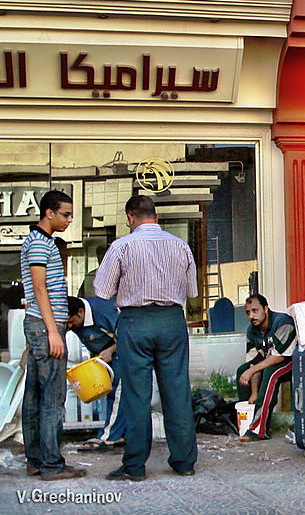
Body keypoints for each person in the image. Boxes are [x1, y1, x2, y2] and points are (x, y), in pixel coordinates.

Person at [93, 195, 198, 481]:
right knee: (177, 391)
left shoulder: (121, 246)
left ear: (130, 218)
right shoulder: (181, 246)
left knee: (136, 395)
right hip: (172, 321)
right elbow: (191, 292)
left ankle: (135, 465)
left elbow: (101, 291)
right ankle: (184, 461)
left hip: (135, 322)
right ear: (156, 216)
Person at [20, 189, 85, 480]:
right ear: (49, 213)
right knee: (52, 396)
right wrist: (53, 333)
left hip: (40, 325)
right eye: (66, 214)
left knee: (34, 394)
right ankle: (51, 465)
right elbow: (39, 288)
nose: (70, 219)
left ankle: (35, 460)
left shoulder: (40, 241)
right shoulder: (39, 243)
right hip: (47, 326)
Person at [66, 296, 127, 452]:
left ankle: (109, 437)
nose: (70, 326)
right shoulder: (73, 321)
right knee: (108, 392)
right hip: (102, 353)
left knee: (118, 393)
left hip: (123, 350)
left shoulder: (105, 311)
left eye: (72, 322)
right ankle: (121, 433)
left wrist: (111, 350)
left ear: (80, 312)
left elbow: (129, 335)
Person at [236, 294, 296, 441]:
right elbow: (254, 361)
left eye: (255, 310)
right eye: (248, 312)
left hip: (292, 361)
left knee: (271, 373)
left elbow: (279, 357)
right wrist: (254, 393)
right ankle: (245, 422)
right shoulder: (252, 331)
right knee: (242, 371)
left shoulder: (283, 322)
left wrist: (252, 370)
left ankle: (259, 430)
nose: (251, 316)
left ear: (266, 309)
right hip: (271, 360)